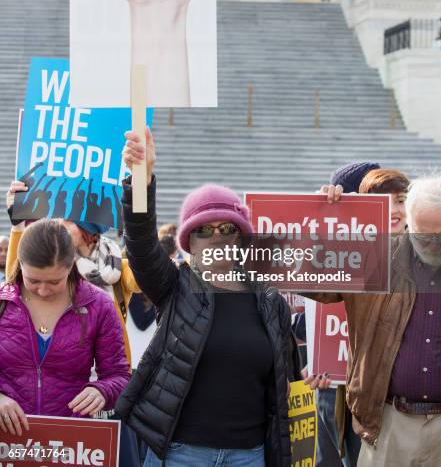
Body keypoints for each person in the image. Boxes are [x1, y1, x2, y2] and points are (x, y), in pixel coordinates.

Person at [115, 127, 295, 466]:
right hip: (180, 454)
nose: (217, 237)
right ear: (189, 243)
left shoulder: (271, 303)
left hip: (249, 456)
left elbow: (284, 382)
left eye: (227, 229)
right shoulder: (174, 286)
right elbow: (139, 242)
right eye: (203, 230)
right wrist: (142, 177)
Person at [309, 173, 441, 467]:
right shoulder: (373, 257)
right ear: (409, 221)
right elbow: (306, 279)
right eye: (423, 234)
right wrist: (321, 218)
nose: (432, 243)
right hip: (391, 424)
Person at [0, 218, 130, 436]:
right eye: (33, 280)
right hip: (8, 439)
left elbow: (118, 375)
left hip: (69, 439)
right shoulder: (3, 304)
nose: (42, 290)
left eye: (54, 282)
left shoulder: (99, 305)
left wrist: (102, 391)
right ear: (20, 264)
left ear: (71, 266)